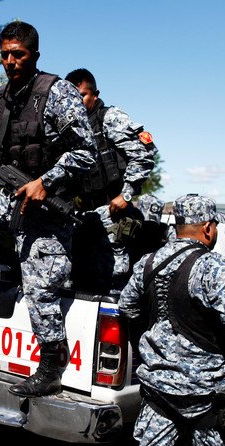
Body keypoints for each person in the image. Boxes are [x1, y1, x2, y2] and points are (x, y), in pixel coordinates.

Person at [0, 21, 97, 398]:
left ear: (34, 55)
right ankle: (17, 266)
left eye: (19, 55)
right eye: (5, 55)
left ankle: (52, 365)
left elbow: (86, 151)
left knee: (41, 288)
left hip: (48, 207)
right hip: (10, 196)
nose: (11, 62)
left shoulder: (56, 93)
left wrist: (47, 181)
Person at [118, 194, 225, 446]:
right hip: (205, 390)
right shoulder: (214, 267)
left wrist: (156, 336)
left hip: (159, 386)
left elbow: (127, 306)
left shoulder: (149, 262)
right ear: (207, 228)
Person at [63, 68, 156, 292]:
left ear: (95, 95)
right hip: (83, 215)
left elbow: (145, 154)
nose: (76, 103)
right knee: (76, 277)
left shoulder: (110, 118)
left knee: (114, 279)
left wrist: (126, 194)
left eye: (82, 96)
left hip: (113, 211)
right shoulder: (70, 127)